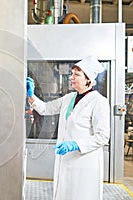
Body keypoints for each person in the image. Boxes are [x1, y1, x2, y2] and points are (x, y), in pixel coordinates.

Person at [26, 56, 110, 200]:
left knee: (82, 195)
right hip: (65, 160)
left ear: (88, 79)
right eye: (72, 74)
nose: (71, 77)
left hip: (84, 162)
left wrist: (76, 144)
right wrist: (31, 95)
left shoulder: (99, 102)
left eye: (76, 75)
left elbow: (102, 136)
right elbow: (46, 108)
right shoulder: (69, 97)